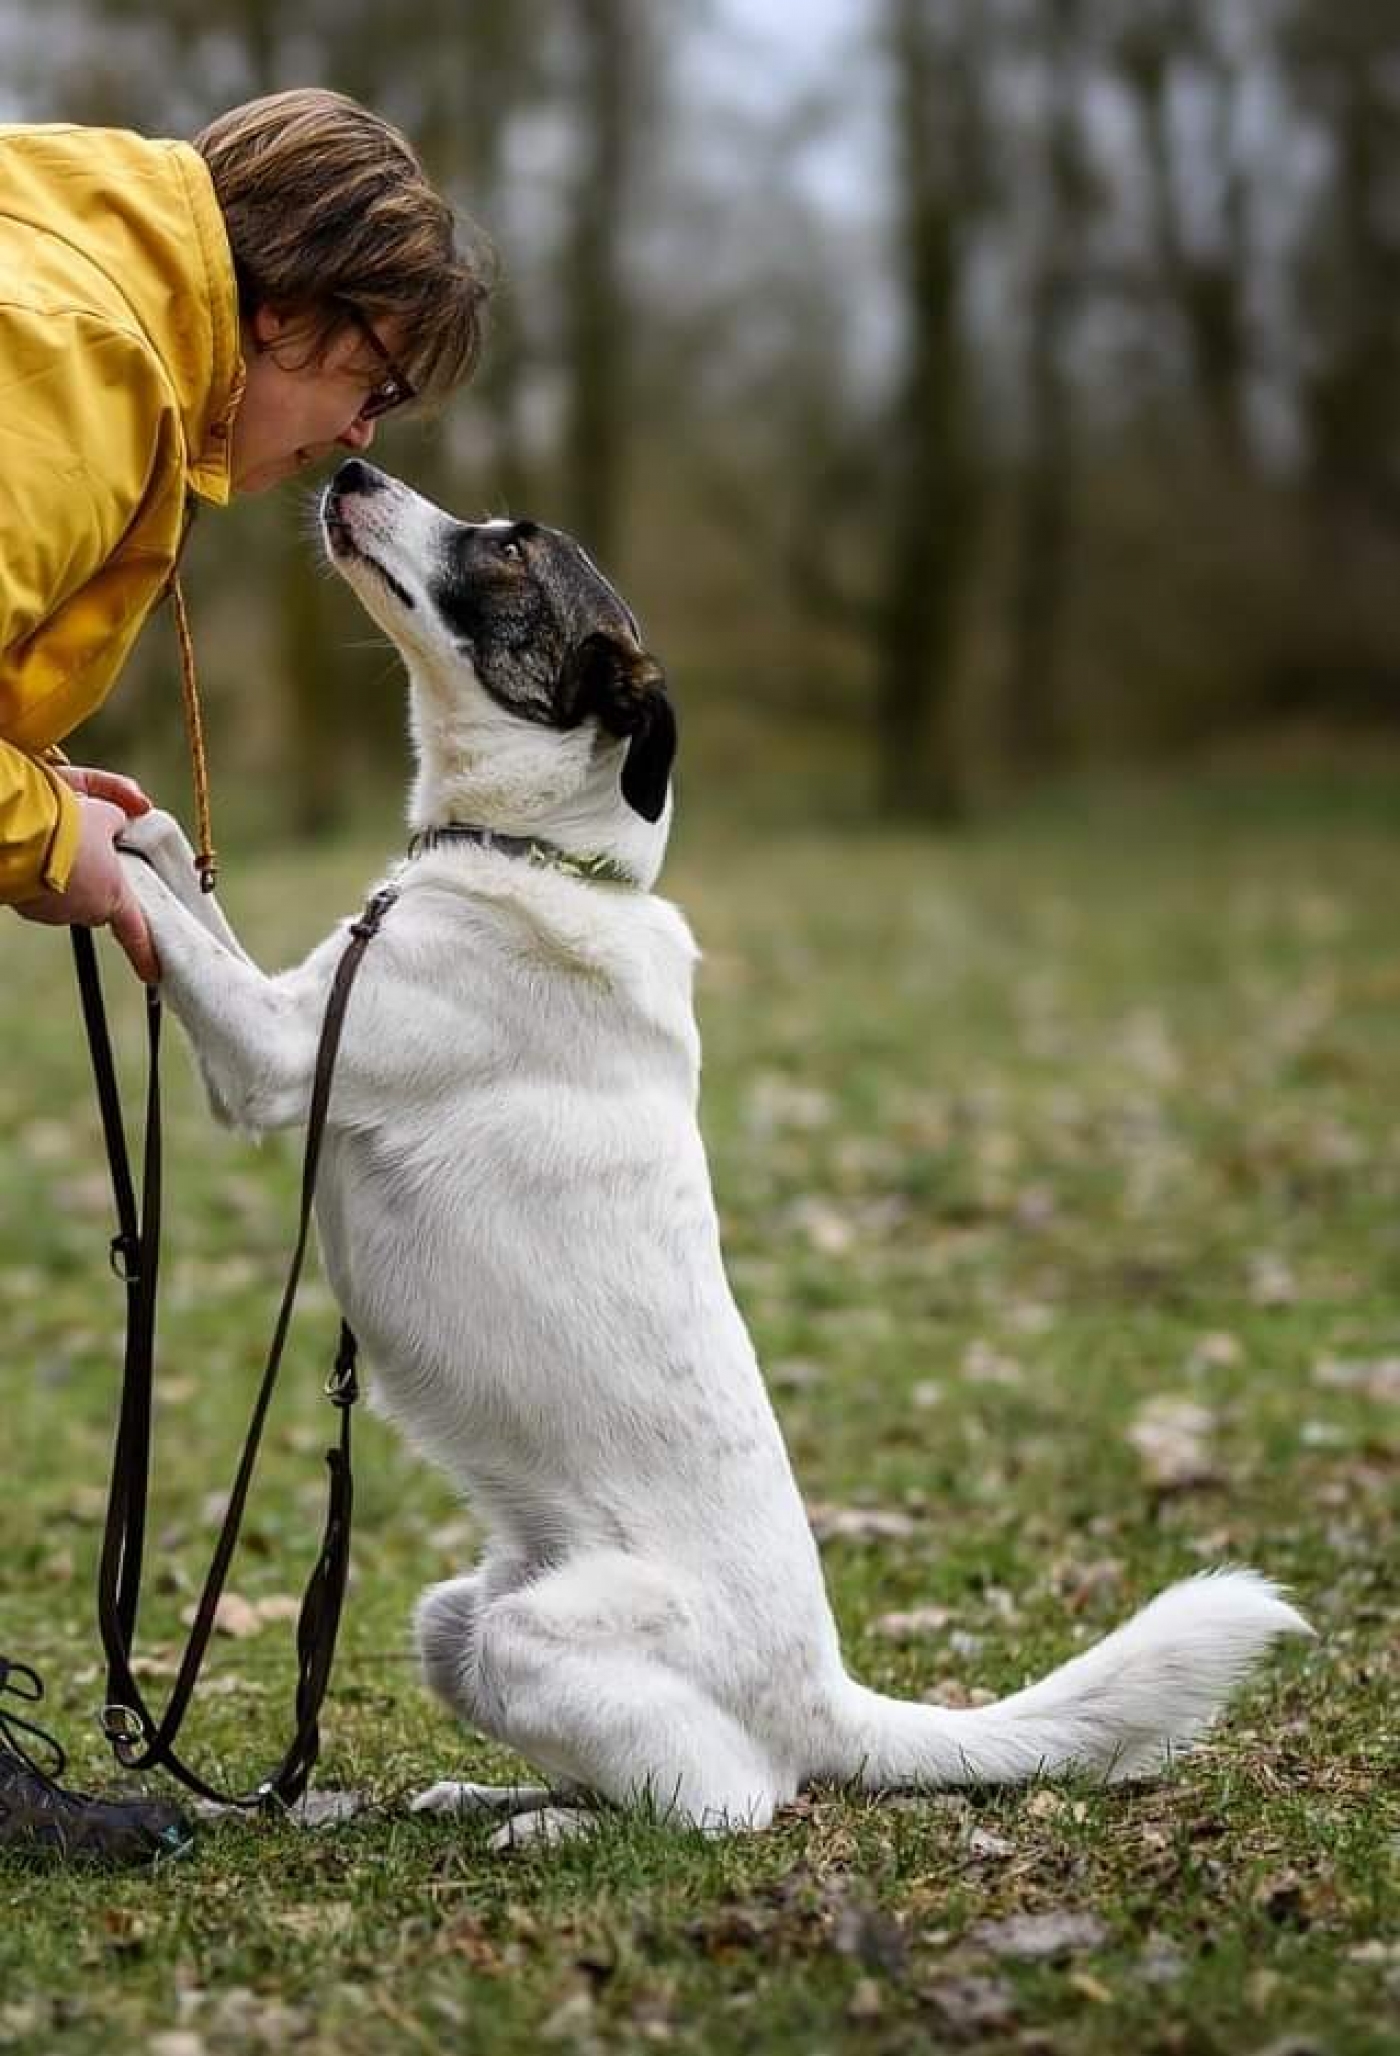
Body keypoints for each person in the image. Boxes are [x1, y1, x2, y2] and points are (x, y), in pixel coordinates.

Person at [0, 87, 491, 1864]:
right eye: (373, 379)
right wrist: (24, 830)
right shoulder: (72, 357)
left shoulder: (74, 268)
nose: (360, 430)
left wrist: (37, 802)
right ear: (288, 305)